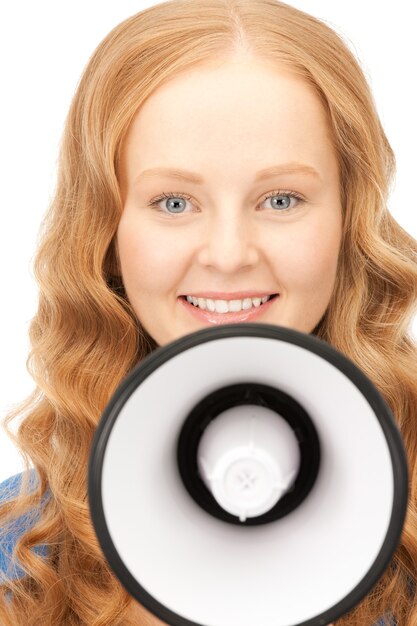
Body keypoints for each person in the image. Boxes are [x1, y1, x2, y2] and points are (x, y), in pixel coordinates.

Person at [1, 0, 416, 624]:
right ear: (106, 232)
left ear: (348, 221)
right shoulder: (19, 556)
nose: (228, 255)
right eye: (173, 202)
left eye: (281, 198)